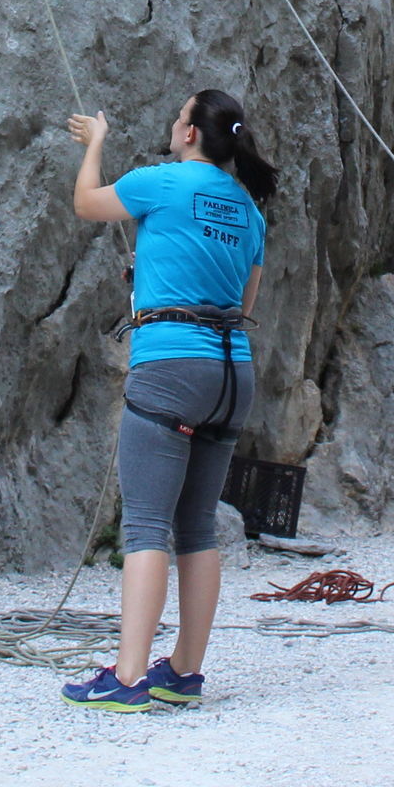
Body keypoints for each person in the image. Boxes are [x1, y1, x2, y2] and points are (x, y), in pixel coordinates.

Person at [58, 91, 273, 712]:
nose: (174, 123)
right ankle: (183, 671)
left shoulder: (162, 183)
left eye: (180, 116)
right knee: (197, 527)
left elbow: (86, 203)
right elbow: (245, 303)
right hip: (232, 371)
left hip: (172, 362)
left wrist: (95, 142)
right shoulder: (249, 212)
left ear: (188, 135)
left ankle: (127, 678)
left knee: (147, 523)